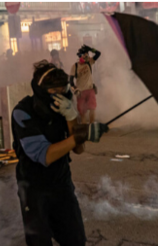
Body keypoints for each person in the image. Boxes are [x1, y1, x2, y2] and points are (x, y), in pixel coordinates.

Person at [11, 60, 107, 246]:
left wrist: (72, 118)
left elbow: (79, 149)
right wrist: (82, 135)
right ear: (41, 90)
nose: (60, 96)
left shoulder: (65, 106)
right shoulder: (23, 112)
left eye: (63, 90)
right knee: (39, 242)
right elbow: (44, 156)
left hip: (61, 183)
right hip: (33, 187)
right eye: (54, 92)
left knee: (75, 239)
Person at [70, 45, 100, 124]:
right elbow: (71, 80)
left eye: (87, 54)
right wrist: (75, 89)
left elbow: (98, 53)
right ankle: (84, 128)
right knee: (82, 112)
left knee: (92, 109)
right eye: (84, 55)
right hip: (80, 92)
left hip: (90, 90)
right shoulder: (75, 66)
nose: (86, 57)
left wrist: (90, 49)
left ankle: (91, 125)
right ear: (80, 56)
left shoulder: (89, 62)